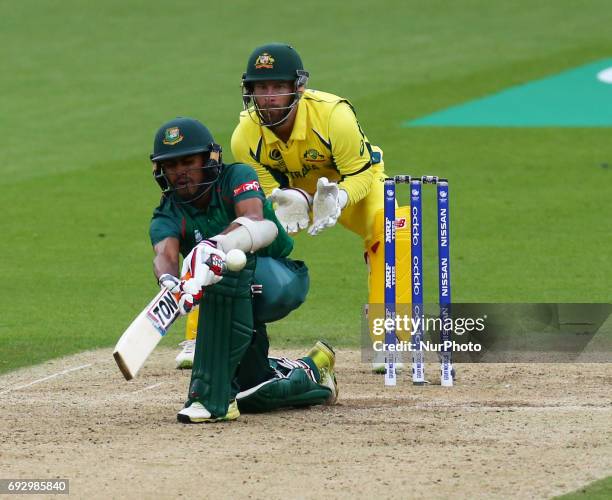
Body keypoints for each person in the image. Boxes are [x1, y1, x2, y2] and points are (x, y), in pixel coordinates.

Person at [230, 43, 412, 371]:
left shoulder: (333, 116)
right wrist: (289, 199)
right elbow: (263, 193)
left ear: (297, 88)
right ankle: (204, 335)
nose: (268, 97)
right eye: (260, 88)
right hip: (293, 199)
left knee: (391, 228)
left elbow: (362, 172)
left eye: (277, 87)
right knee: (233, 234)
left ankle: (391, 339)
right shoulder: (245, 135)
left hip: (352, 188)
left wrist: (339, 198)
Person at [149, 116, 337, 422]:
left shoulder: (236, 176)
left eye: (188, 161)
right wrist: (169, 281)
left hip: (278, 278)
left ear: (208, 159)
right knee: (254, 391)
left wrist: (215, 245)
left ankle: (212, 393)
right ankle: (312, 369)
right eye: (171, 165)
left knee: (229, 267)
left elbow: (258, 222)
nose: (180, 172)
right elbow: (164, 253)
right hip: (228, 296)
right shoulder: (168, 211)